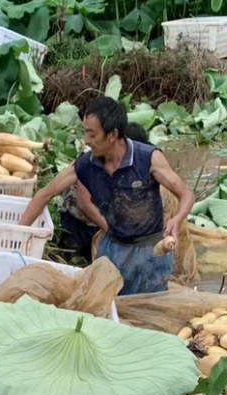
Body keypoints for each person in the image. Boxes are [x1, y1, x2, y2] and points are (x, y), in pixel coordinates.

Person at [74, 97, 194, 295]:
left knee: (149, 311)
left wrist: (176, 219)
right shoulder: (86, 164)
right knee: (110, 309)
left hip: (150, 254)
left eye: (92, 134)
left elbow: (186, 195)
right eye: (85, 132)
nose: (87, 140)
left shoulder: (148, 158)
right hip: (112, 250)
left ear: (112, 135)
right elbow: (67, 199)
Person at [19, 122, 154, 263]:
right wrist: (18, 233)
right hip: (76, 224)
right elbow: (80, 203)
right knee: (77, 262)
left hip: (103, 224)